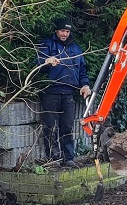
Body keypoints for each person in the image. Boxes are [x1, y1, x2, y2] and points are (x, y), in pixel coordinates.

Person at [36, 18, 91, 167]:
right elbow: (39, 62)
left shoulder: (76, 49)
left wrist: (85, 85)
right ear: (56, 31)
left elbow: (82, 71)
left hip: (68, 94)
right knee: (50, 126)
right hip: (50, 91)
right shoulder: (47, 44)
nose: (64, 34)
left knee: (67, 126)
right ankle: (53, 158)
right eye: (62, 31)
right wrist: (47, 61)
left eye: (67, 31)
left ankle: (69, 158)